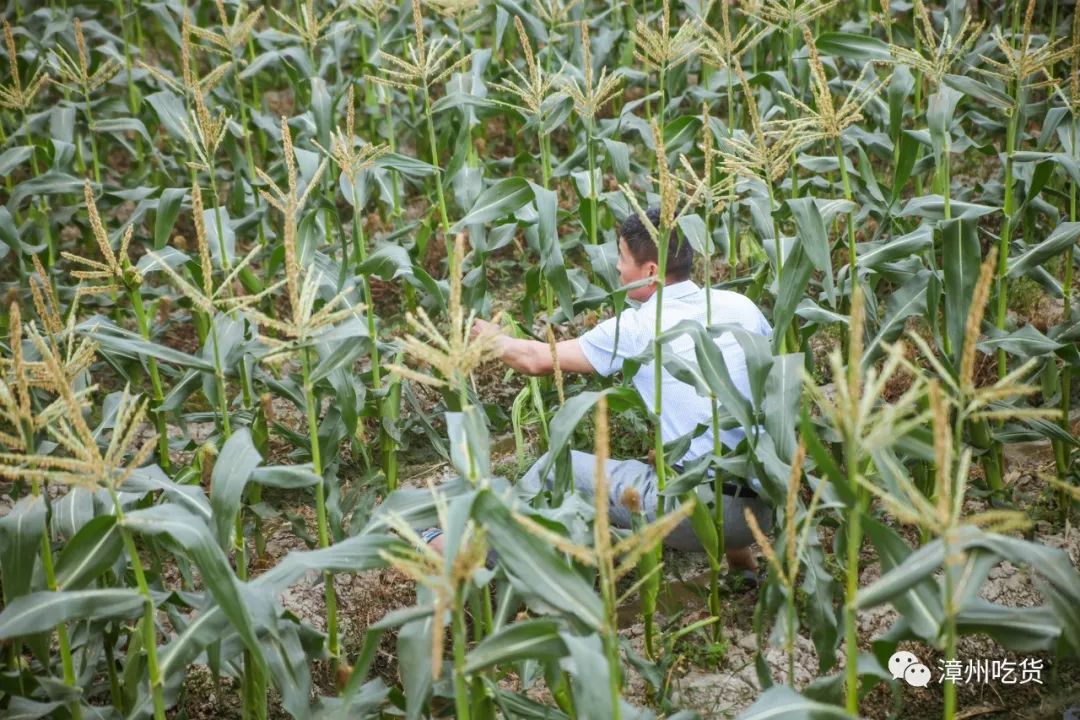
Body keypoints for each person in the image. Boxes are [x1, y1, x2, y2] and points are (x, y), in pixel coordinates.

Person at [424, 207, 774, 584]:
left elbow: (537, 360)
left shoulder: (641, 325)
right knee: (693, 454)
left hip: (702, 516)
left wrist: (492, 339)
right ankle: (743, 571)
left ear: (651, 272)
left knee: (556, 469)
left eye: (622, 258)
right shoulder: (741, 307)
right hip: (764, 510)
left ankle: (468, 553)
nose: (618, 269)